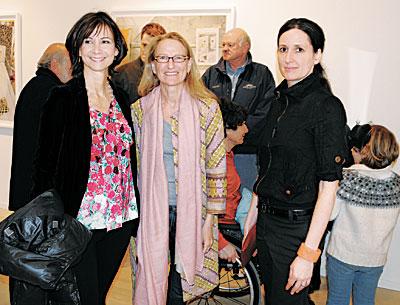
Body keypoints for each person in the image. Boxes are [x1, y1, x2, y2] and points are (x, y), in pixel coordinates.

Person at [30, 12, 139, 305]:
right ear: (77, 47)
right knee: (84, 297)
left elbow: (129, 159)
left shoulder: (122, 98)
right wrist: (46, 224)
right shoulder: (62, 98)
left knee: (98, 295)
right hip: (79, 220)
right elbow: (44, 165)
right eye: (88, 40)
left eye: (105, 41)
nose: (96, 48)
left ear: (117, 49)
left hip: (119, 218)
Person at [244, 18, 347, 305]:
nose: (288, 58)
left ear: (317, 55)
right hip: (267, 221)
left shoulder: (326, 107)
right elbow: (269, 164)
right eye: (283, 49)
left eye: (299, 50)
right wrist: (254, 213)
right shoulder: (279, 100)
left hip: (295, 230)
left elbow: (329, 187)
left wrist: (308, 254)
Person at [131, 32, 226, 305]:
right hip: (153, 214)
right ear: (153, 65)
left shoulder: (207, 109)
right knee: (155, 276)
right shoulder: (140, 110)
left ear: (188, 64)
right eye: (163, 58)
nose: (170, 65)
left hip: (195, 213)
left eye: (178, 58)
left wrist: (211, 221)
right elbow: (137, 168)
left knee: (181, 286)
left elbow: (216, 166)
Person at [327, 124, 400, 305]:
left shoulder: (347, 177)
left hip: (343, 254)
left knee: (337, 300)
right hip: (375, 258)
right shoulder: (397, 184)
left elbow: (330, 214)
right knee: (366, 300)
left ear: (362, 151)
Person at [202, 28, 275, 191]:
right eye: (223, 45)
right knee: (218, 199)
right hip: (215, 151)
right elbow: (201, 107)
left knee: (244, 199)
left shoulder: (261, 74)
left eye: (231, 45)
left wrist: (238, 130)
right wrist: (223, 133)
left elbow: (266, 110)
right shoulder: (211, 74)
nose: (225, 48)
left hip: (247, 151)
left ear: (245, 47)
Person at [9, 43, 71, 212]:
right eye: (69, 64)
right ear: (55, 64)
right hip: (40, 186)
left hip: (26, 181)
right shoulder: (54, 91)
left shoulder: (32, 86)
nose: (72, 71)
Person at [218, 98, 248, 263]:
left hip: (232, 217)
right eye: (242, 124)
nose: (246, 129)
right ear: (227, 129)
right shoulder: (216, 162)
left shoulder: (228, 154)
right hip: (224, 224)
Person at [113, 22, 166, 104]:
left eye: (152, 47)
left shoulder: (167, 74)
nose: (147, 51)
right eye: (144, 45)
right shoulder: (120, 74)